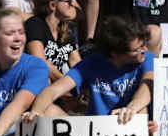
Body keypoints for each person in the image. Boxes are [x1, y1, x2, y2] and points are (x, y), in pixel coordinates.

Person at [24, 15, 153, 122]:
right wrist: (36, 112)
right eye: (138, 49)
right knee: (47, 110)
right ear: (114, 53)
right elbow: (53, 90)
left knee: (141, 110)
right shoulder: (93, 62)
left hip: (126, 126)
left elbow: (147, 87)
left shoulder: (146, 59)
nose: (145, 50)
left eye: (144, 45)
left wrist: (131, 108)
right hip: (95, 134)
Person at [25, 0, 81, 82]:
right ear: (52, 5)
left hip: (61, 86)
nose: (72, 3)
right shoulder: (34, 25)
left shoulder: (65, 27)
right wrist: (68, 85)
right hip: (41, 86)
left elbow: (76, 62)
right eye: (68, 0)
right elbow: (41, 64)